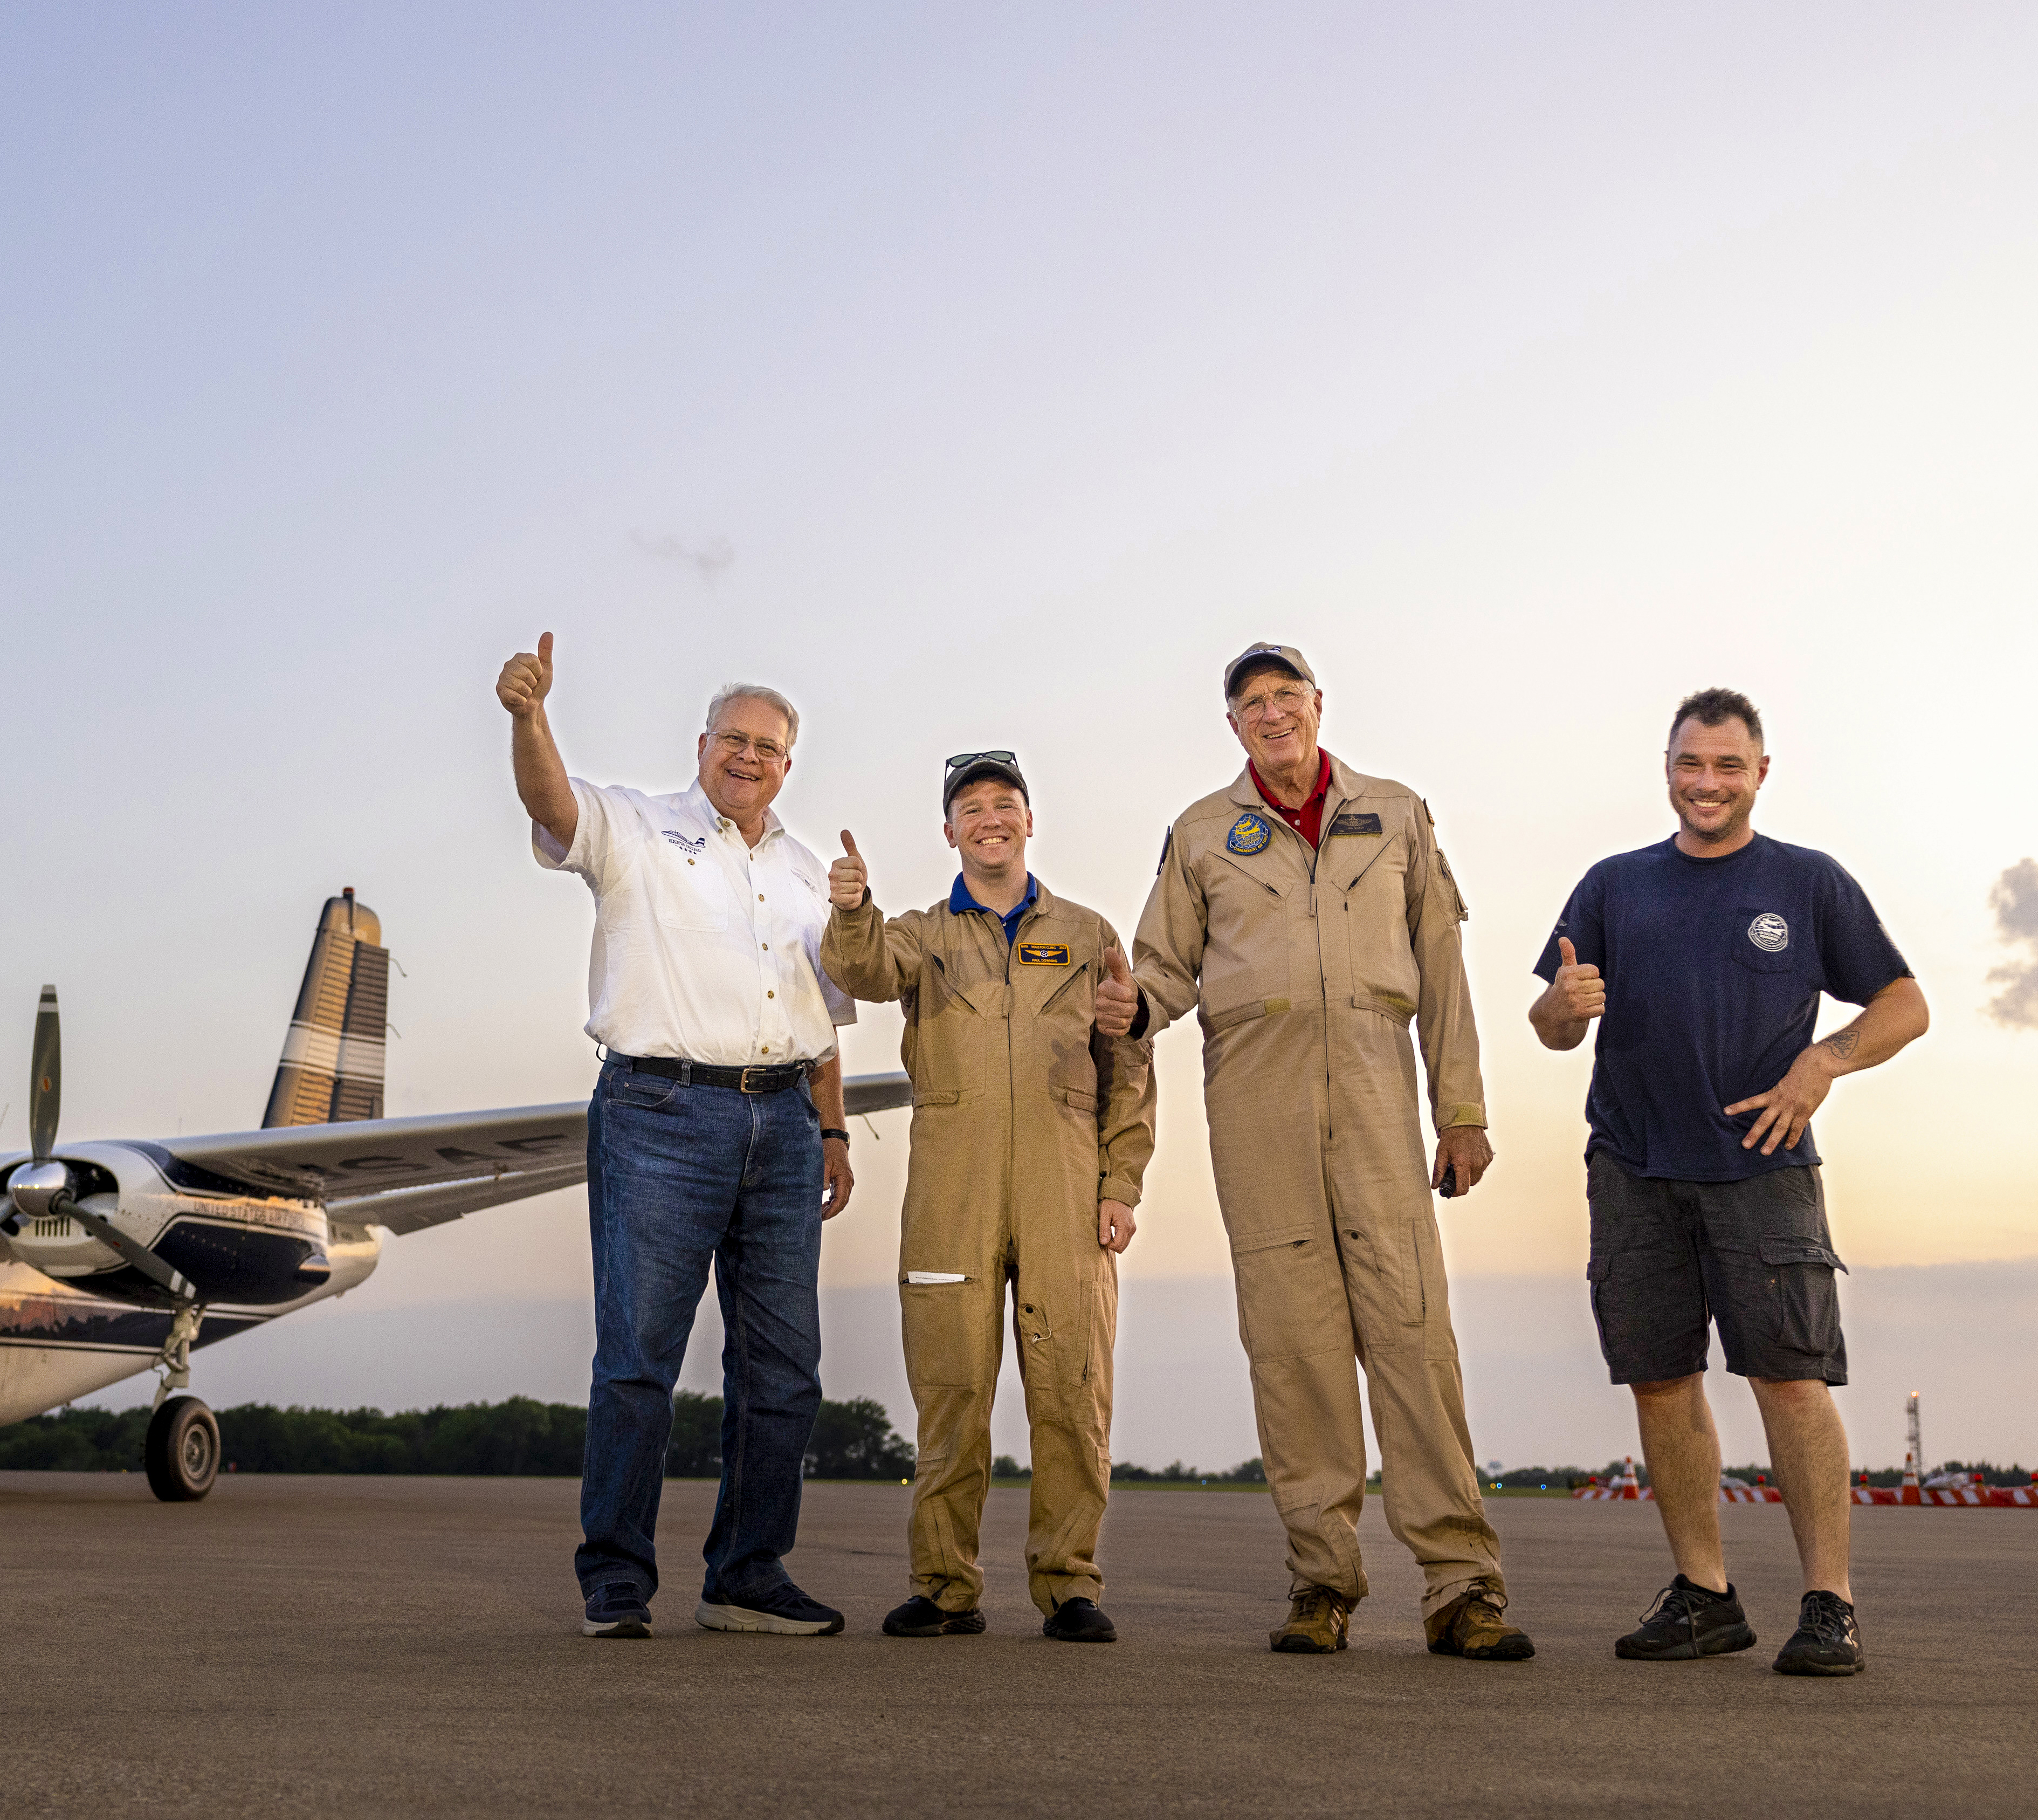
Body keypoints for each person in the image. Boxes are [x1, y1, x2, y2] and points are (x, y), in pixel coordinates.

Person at [1100, 642, 1532, 1660]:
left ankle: (1462, 1587)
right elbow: (1163, 968)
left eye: (1285, 695)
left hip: (1381, 1110)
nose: (1271, 713)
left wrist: (1460, 1112)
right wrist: (1133, 1007)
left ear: (1319, 705)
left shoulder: (1397, 813)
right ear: (1234, 726)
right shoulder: (1203, 833)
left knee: (1414, 1342)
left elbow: (1442, 969)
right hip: (1259, 1117)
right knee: (1293, 1354)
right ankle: (1321, 1583)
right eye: (1251, 703)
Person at [1530, 687, 1925, 1678]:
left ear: (1760, 774)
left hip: (1762, 1166)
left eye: (1727, 767)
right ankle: (1705, 1594)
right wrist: (1563, 1007)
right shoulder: (1614, 886)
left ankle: (1829, 1603)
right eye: (1689, 765)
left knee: (1789, 1382)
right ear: (1667, 768)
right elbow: (1551, 1024)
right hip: (1633, 1166)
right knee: (1661, 1382)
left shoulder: (1807, 883)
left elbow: (1905, 1003)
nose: (1706, 783)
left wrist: (1824, 1063)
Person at [498, 631, 859, 1642]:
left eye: (770, 747)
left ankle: (747, 1574)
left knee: (784, 1367)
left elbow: (822, 1017)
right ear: (702, 746)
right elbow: (550, 807)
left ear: (791, 764)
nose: (749, 757)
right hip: (659, 1113)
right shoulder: (638, 827)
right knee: (639, 1358)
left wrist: (832, 1132)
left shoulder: (804, 874)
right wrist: (531, 719)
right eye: (733, 739)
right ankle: (616, 1576)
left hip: (785, 1124)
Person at [819, 752, 1155, 1644]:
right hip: (951, 1194)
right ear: (950, 832)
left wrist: (1121, 1182)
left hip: (1066, 1195)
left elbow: (1128, 1064)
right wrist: (853, 909)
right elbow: (863, 972)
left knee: (1071, 1394)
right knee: (951, 1394)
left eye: (1005, 804)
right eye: (972, 808)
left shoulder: (1087, 933)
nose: (990, 819)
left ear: (1030, 821)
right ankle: (944, 1586)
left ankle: (1069, 1583)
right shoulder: (920, 933)